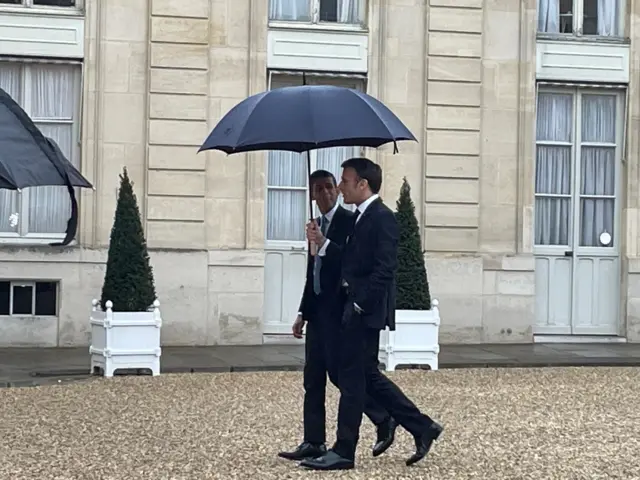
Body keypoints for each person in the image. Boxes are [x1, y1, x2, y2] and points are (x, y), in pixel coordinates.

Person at [300, 158, 443, 471]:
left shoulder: (382, 217)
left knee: (352, 382)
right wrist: (323, 243)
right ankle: (422, 427)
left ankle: (343, 451)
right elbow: (352, 260)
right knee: (367, 378)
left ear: (362, 184)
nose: (340, 186)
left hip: (363, 314)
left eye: (345, 181)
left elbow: (384, 269)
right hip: (353, 311)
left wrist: (359, 305)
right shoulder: (361, 218)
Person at [278, 169, 397, 462]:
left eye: (331, 186)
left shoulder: (350, 220)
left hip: (340, 310)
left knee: (341, 376)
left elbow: (353, 261)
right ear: (312, 194)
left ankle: (382, 417)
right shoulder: (314, 225)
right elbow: (312, 273)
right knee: (312, 377)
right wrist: (302, 312)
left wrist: (325, 243)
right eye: (319, 189)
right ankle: (313, 441)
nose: (327, 193)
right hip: (318, 311)